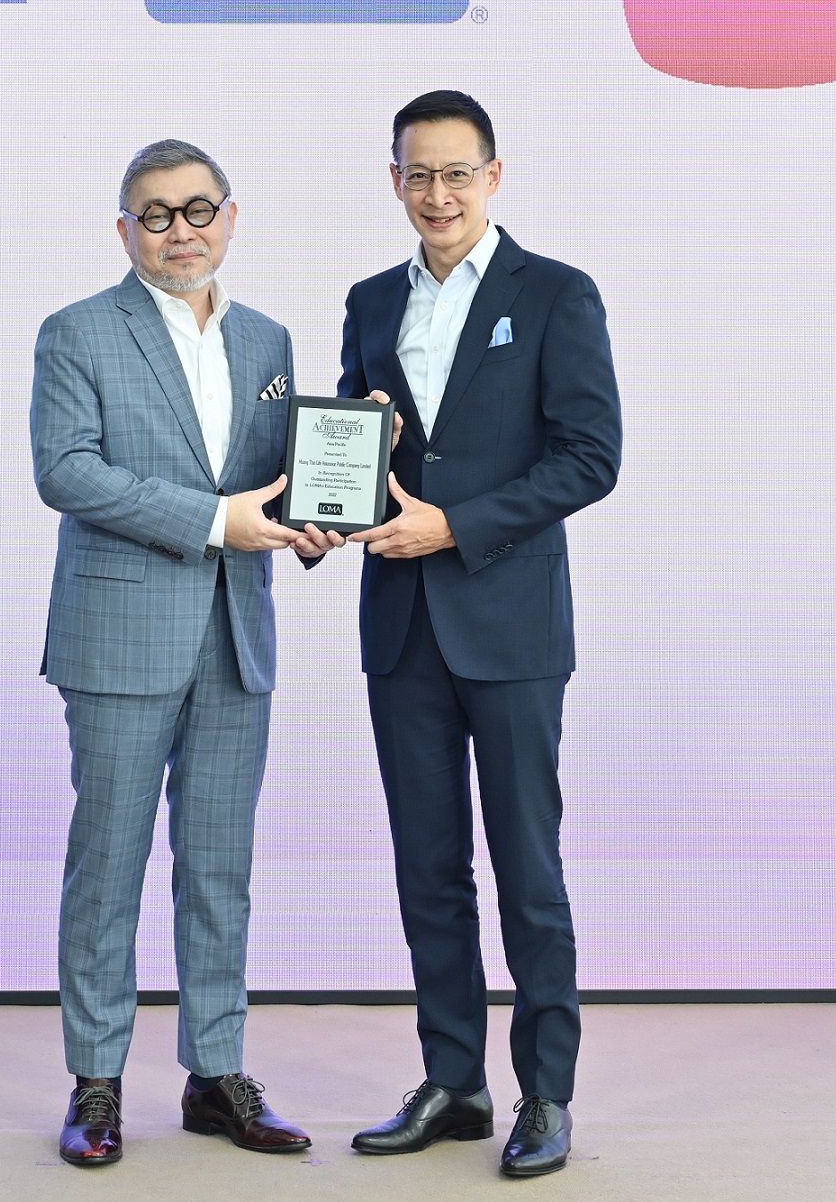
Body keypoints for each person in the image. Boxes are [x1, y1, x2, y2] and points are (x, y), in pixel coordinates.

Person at [305, 91, 622, 1178]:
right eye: (417, 175)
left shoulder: (557, 293)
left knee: (528, 866)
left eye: (456, 173)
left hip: (510, 625)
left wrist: (457, 525)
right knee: (427, 869)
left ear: (493, 176)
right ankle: (454, 1080)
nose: (436, 195)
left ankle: (547, 1094)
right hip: (402, 628)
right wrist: (326, 506)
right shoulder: (368, 301)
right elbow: (357, 445)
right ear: (394, 180)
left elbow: (591, 457)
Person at [31, 139, 333, 1167]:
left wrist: (327, 509)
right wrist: (214, 521)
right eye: (155, 215)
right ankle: (97, 1081)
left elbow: (280, 480)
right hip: (119, 638)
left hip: (235, 635)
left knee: (219, 867)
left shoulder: (268, 339)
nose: (180, 231)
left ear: (231, 218)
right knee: (108, 864)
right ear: (126, 232)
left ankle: (216, 1072)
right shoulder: (77, 331)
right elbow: (66, 471)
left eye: (198, 209)